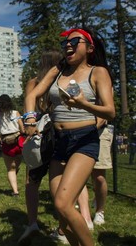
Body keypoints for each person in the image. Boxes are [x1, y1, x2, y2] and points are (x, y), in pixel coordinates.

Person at [24, 28, 115, 246]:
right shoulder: (58, 70)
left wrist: (83, 104)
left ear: (90, 48)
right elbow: (33, 94)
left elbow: (110, 111)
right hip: (60, 141)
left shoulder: (98, 72)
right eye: (66, 40)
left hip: (84, 140)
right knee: (61, 210)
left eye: (75, 40)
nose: (68, 44)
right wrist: (29, 118)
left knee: (64, 204)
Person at [17, 50, 63, 245]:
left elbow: (29, 108)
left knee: (32, 182)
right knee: (59, 182)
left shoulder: (34, 83)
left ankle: (32, 222)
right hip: (59, 135)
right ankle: (62, 227)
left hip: (37, 136)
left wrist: (29, 123)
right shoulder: (62, 82)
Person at [0, 94, 25, 196]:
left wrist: (2, 140)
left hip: (6, 143)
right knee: (17, 164)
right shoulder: (16, 113)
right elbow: (22, 128)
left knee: (10, 169)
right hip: (19, 141)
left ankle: (15, 191)